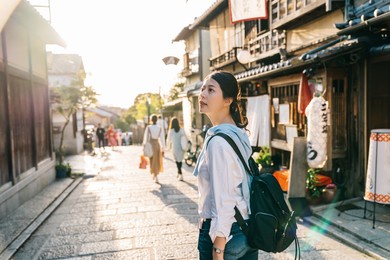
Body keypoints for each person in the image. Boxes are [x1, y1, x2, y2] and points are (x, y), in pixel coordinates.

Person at [193, 71, 258, 260]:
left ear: (228, 100)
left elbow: (225, 198)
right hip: (247, 229)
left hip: (226, 235)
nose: (203, 94)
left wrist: (218, 248)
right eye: (203, 88)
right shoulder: (238, 133)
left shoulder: (218, 142)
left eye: (211, 89)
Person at [143, 115, 165, 183]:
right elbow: (162, 138)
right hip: (157, 145)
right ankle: (156, 174)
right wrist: (163, 148)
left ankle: (154, 174)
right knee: (157, 160)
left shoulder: (148, 127)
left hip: (151, 145)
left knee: (152, 160)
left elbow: (146, 137)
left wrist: (144, 146)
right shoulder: (159, 128)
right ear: (157, 120)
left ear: (151, 120)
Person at [166, 117, 187, 181]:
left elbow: (168, 140)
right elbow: (185, 137)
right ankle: (179, 173)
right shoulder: (181, 130)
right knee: (180, 161)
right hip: (181, 148)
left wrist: (168, 147)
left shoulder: (171, 131)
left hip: (175, 148)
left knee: (177, 161)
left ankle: (180, 173)